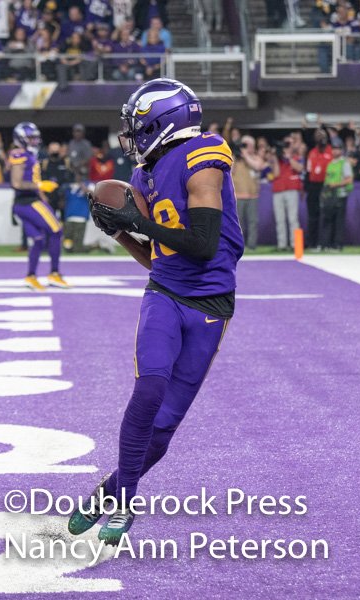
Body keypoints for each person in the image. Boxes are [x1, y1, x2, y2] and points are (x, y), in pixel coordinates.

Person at [70, 78, 244, 545]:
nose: (130, 137)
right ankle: (125, 504)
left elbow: (203, 245)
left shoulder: (204, 155)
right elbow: (159, 258)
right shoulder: (144, 176)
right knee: (148, 390)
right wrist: (122, 234)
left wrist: (138, 223)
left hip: (210, 302)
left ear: (161, 123)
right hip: (164, 293)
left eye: (136, 127)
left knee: (163, 429)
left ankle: (109, 492)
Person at [9, 121, 70, 291]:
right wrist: (40, 185)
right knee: (56, 230)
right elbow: (16, 183)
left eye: (35, 137)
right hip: (28, 202)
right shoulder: (19, 154)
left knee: (38, 240)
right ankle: (54, 273)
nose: (34, 140)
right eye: (30, 137)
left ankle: (31, 276)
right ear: (20, 138)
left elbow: (31, 181)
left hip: (27, 202)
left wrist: (43, 196)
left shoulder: (29, 154)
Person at [320, 139, 353, 251]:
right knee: (329, 220)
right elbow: (327, 180)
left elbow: (349, 179)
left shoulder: (344, 163)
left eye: (337, 149)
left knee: (339, 221)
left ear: (342, 150)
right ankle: (327, 244)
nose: (335, 151)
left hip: (340, 194)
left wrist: (336, 185)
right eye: (334, 149)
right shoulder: (330, 164)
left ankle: (337, 245)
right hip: (330, 196)